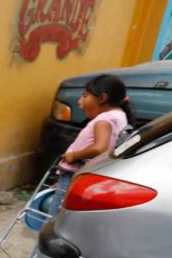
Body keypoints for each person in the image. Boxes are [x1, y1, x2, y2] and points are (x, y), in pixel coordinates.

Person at [51, 74, 131, 212]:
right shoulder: (120, 116)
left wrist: (73, 156)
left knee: (56, 215)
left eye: (85, 96)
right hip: (87, 174)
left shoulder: (104, 120)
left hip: (76, 173)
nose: (79, 101)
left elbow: (100, 148)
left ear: (102, 98)